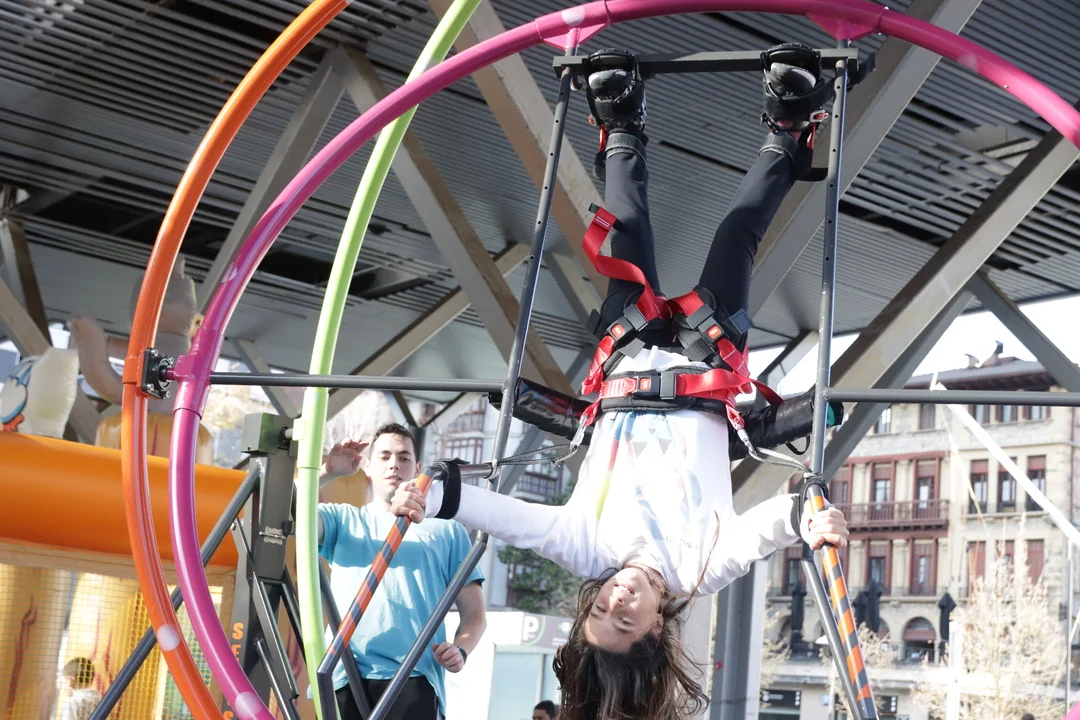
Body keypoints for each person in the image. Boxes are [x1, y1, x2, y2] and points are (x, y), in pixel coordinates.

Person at [391, 43, 850, 720]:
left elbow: (503, 517)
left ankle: (621, 123)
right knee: (735, 236)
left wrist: (430, 498)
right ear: (657, 630)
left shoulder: (585, 549)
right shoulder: (702, 566)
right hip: (705, 361)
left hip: (628, 359)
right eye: (626, 617)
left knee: (627, 234)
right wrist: (811, 521)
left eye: (601, 610)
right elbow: (771, 527)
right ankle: (790, 128)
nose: (617, 599)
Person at [318, 423, 487, 720]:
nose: (394, 464)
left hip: (415, 673)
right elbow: (284, 513)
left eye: (403, 457)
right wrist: (327, 472)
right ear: (367, 466)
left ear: (417, 468)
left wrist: (460, 649)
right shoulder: (342, 520)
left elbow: (474, 613)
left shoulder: (447, 531)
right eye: (384, 456)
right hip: (343, 670)